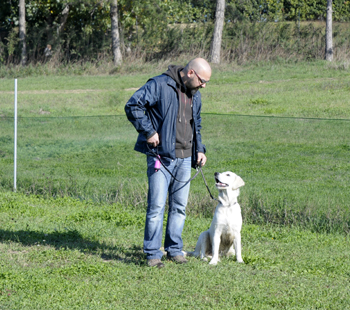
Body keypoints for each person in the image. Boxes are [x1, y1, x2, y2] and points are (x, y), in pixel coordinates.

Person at [125, 58, 212, 268]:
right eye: (202, 80)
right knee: (156, 207)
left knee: (179, 208)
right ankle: (153, 254)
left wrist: (199, 149)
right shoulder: (159, 84)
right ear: (190, 72)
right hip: (161, 157)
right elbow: (133, 105)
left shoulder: (195, 95)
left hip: (184, 159)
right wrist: (149, 132)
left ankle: (174, 249)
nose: (204, 85)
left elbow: (196, 124)